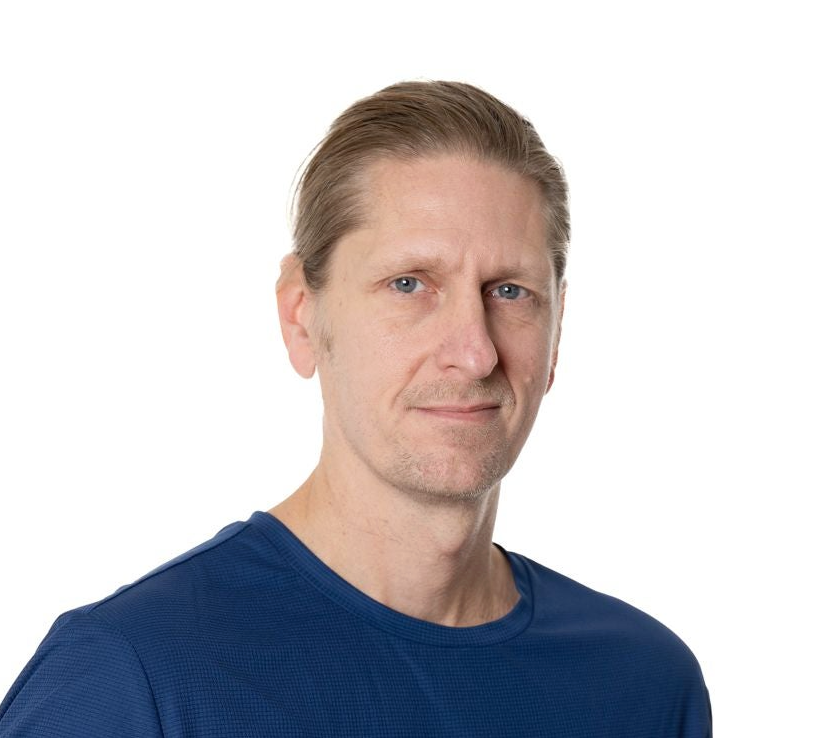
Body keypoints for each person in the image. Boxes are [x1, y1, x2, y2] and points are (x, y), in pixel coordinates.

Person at [0, 80, 712, 737]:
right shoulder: (130, 678)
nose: (474, 353)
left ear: (556, 333)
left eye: (510, 292)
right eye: (409, 284)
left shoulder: (645, 684)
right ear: (301, 316)